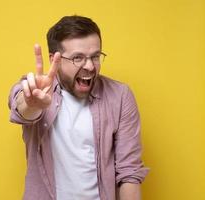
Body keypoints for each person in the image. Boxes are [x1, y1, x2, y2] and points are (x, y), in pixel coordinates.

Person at [8, 15, 149, 200]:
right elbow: (21, 107)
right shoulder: (35, 89)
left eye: (95, 56)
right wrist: (31, 105)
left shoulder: (120, 96)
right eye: (78, 58)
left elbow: (129, 172)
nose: (90, 66)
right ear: (54, 60)